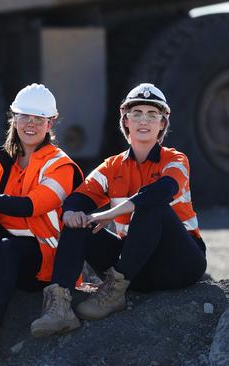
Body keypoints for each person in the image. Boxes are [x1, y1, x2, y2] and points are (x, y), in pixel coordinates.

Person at [30, 83, 207, 336]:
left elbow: (162, 191)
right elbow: (79, 198)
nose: (143, 120)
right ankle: (59, 306)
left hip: (180, 263)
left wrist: (107, 214)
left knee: (152, 207)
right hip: (137, 268)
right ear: (125, 121)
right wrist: (71, 213)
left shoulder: (175, 160)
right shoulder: (112, 167)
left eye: (152, 114)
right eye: (136, 113)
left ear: (162, 124)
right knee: (78, 221)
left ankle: (113, 291)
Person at [0, 84, 83, 362]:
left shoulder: (61, 166)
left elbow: (29, 207)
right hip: (3, 247)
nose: (31, 124)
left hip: (41, 258)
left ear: (51, 122)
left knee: (6, 246)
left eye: (39, 119)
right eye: (25, 117)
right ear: (14, 117)